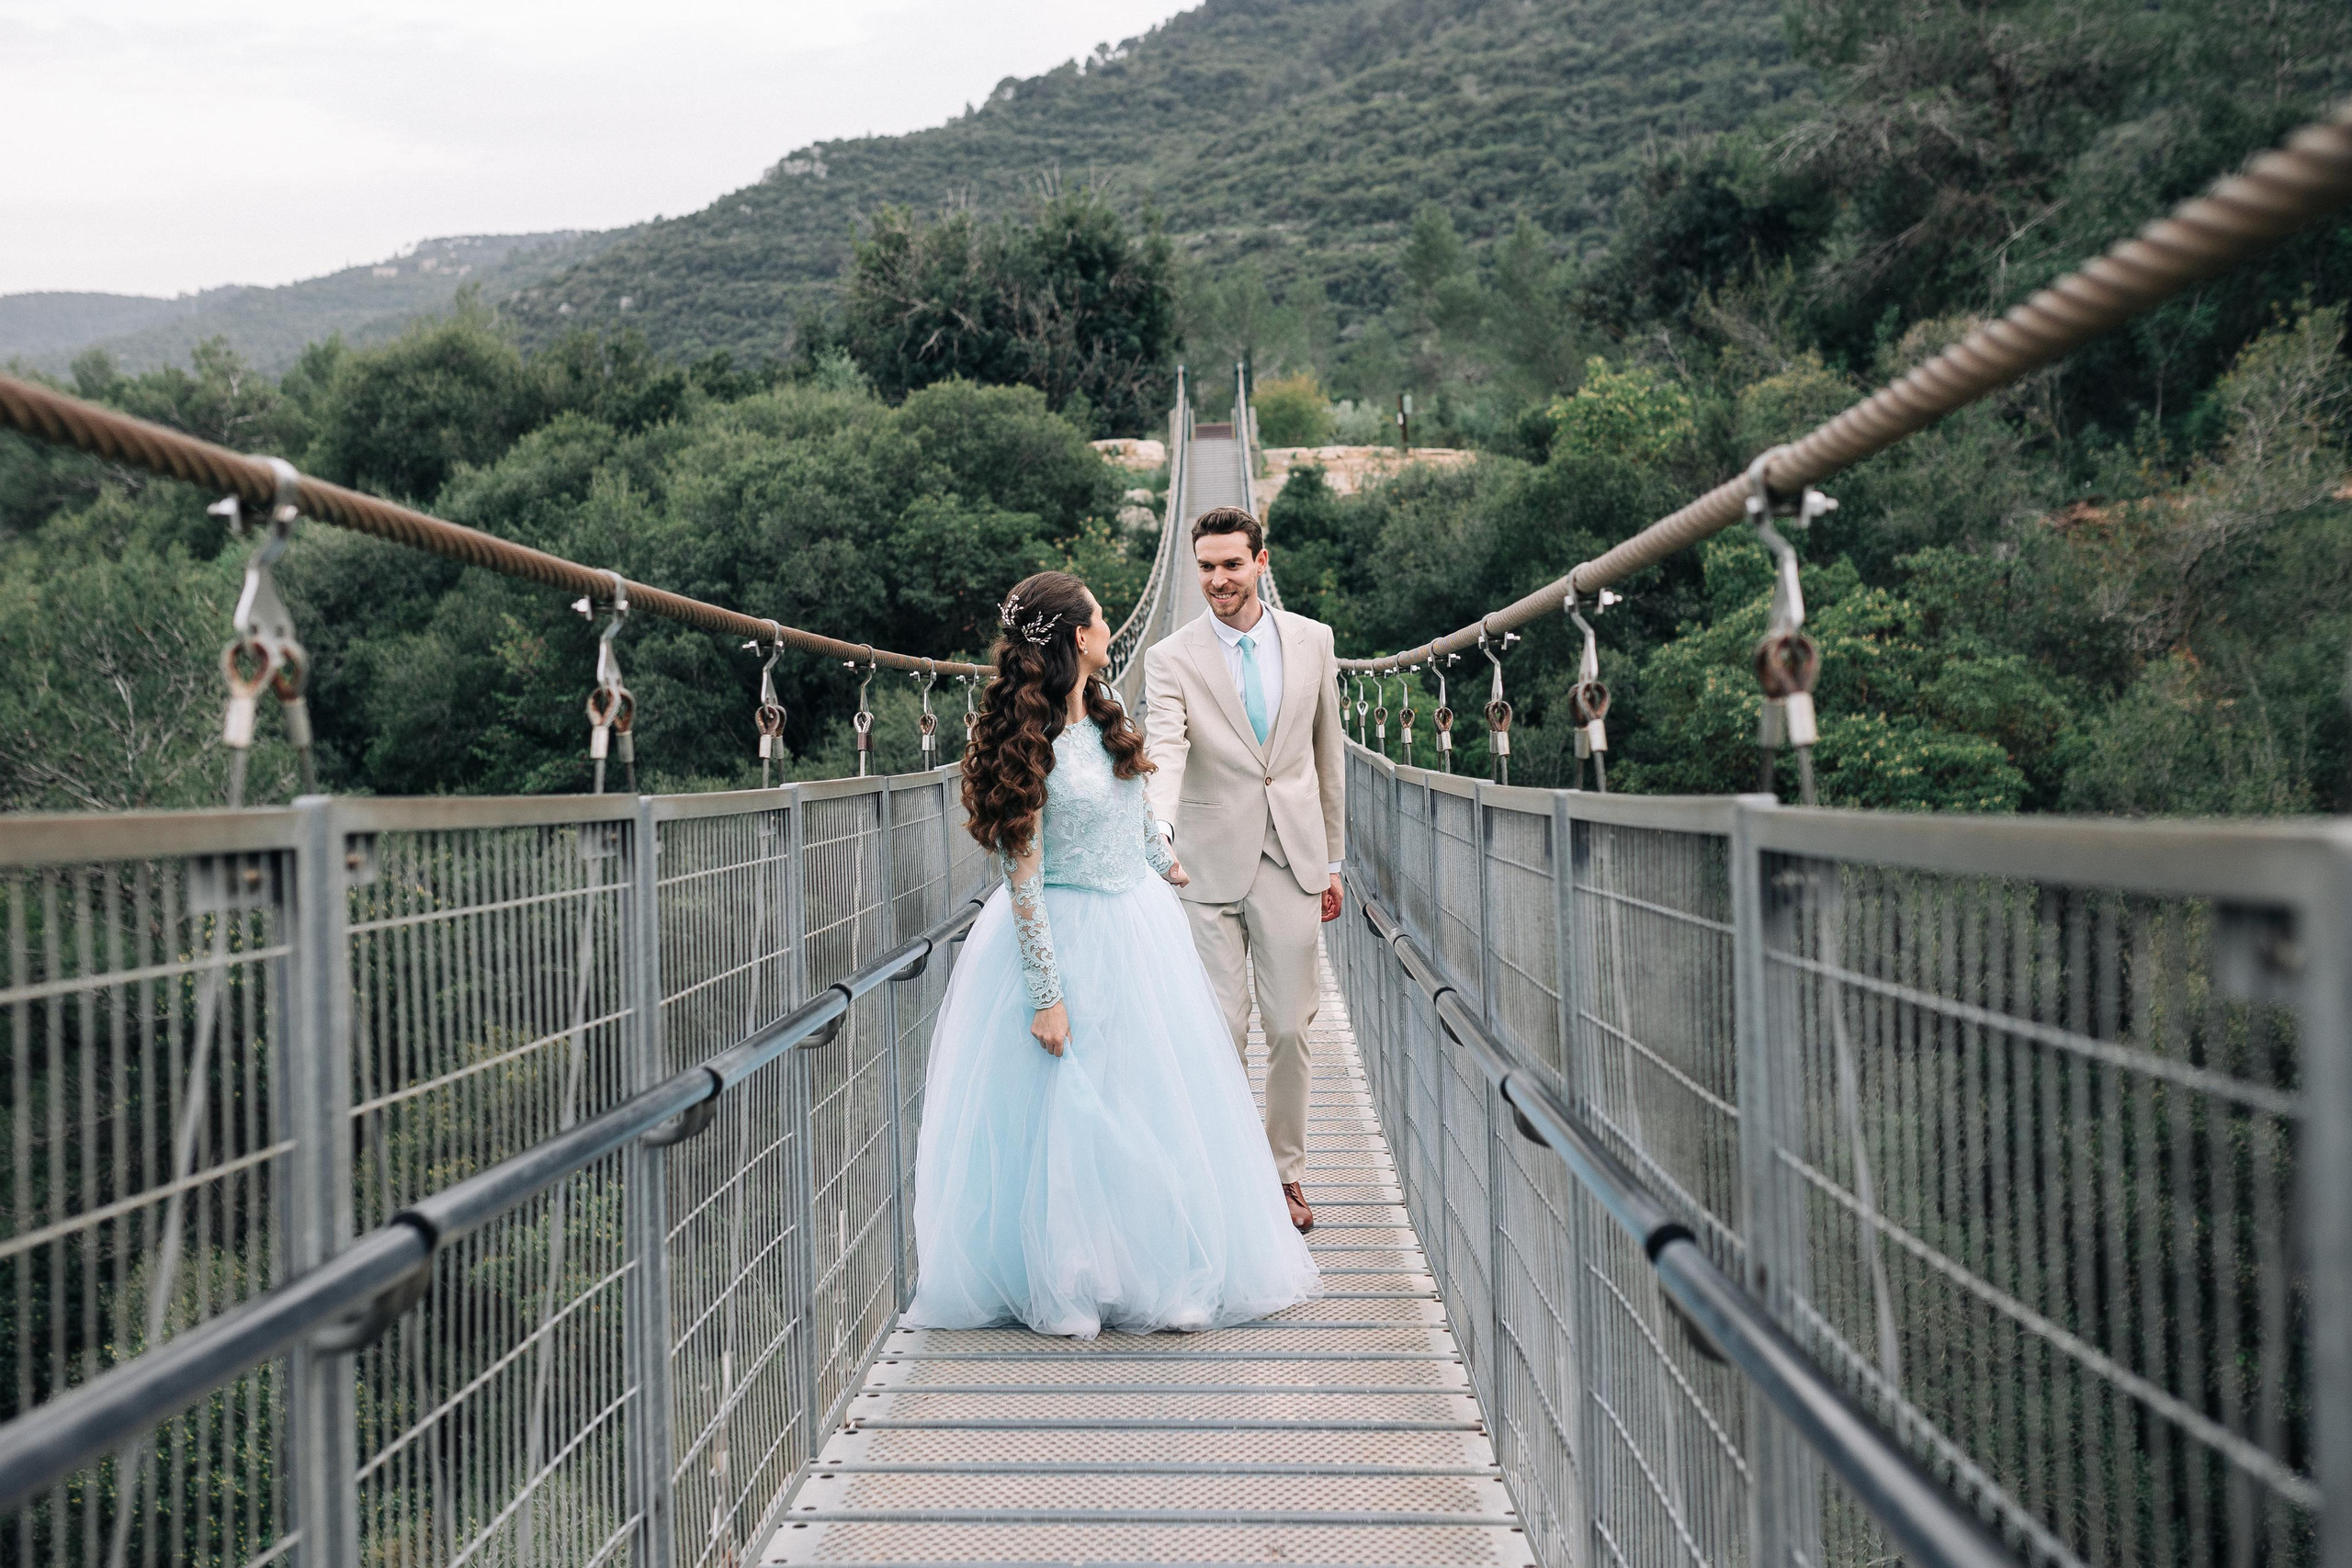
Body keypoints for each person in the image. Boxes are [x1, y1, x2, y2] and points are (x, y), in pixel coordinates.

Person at [903, 570, 1320, 1338]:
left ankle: (1156, 1271)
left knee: (1143, 1106)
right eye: (1099, 618)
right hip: (1062, 933)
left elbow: (1129, 809)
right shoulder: (1030, 744)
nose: (1109, 628)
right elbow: (1022, 877)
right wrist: (1046, 995)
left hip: (1137, 926)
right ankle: (1072, 1277)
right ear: (1077, 636)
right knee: (1071, 1115)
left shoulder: (1107, 710)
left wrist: (1164, 860)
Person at [1141, 505, 1346, 1235]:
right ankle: (1229, 1177)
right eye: (1205, 566)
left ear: (1262, 561)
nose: (1218, 579)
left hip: (1292, 855)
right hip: (1202, 862)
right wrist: (1159, 831)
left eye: (1232, 564)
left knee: (1289, 1027)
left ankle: (1285, 1171)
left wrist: (1333, 859)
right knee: (1221, 1026)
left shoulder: (1314, 640)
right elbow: (1164, 749)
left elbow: (1328, 754)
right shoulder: (1170, 657)